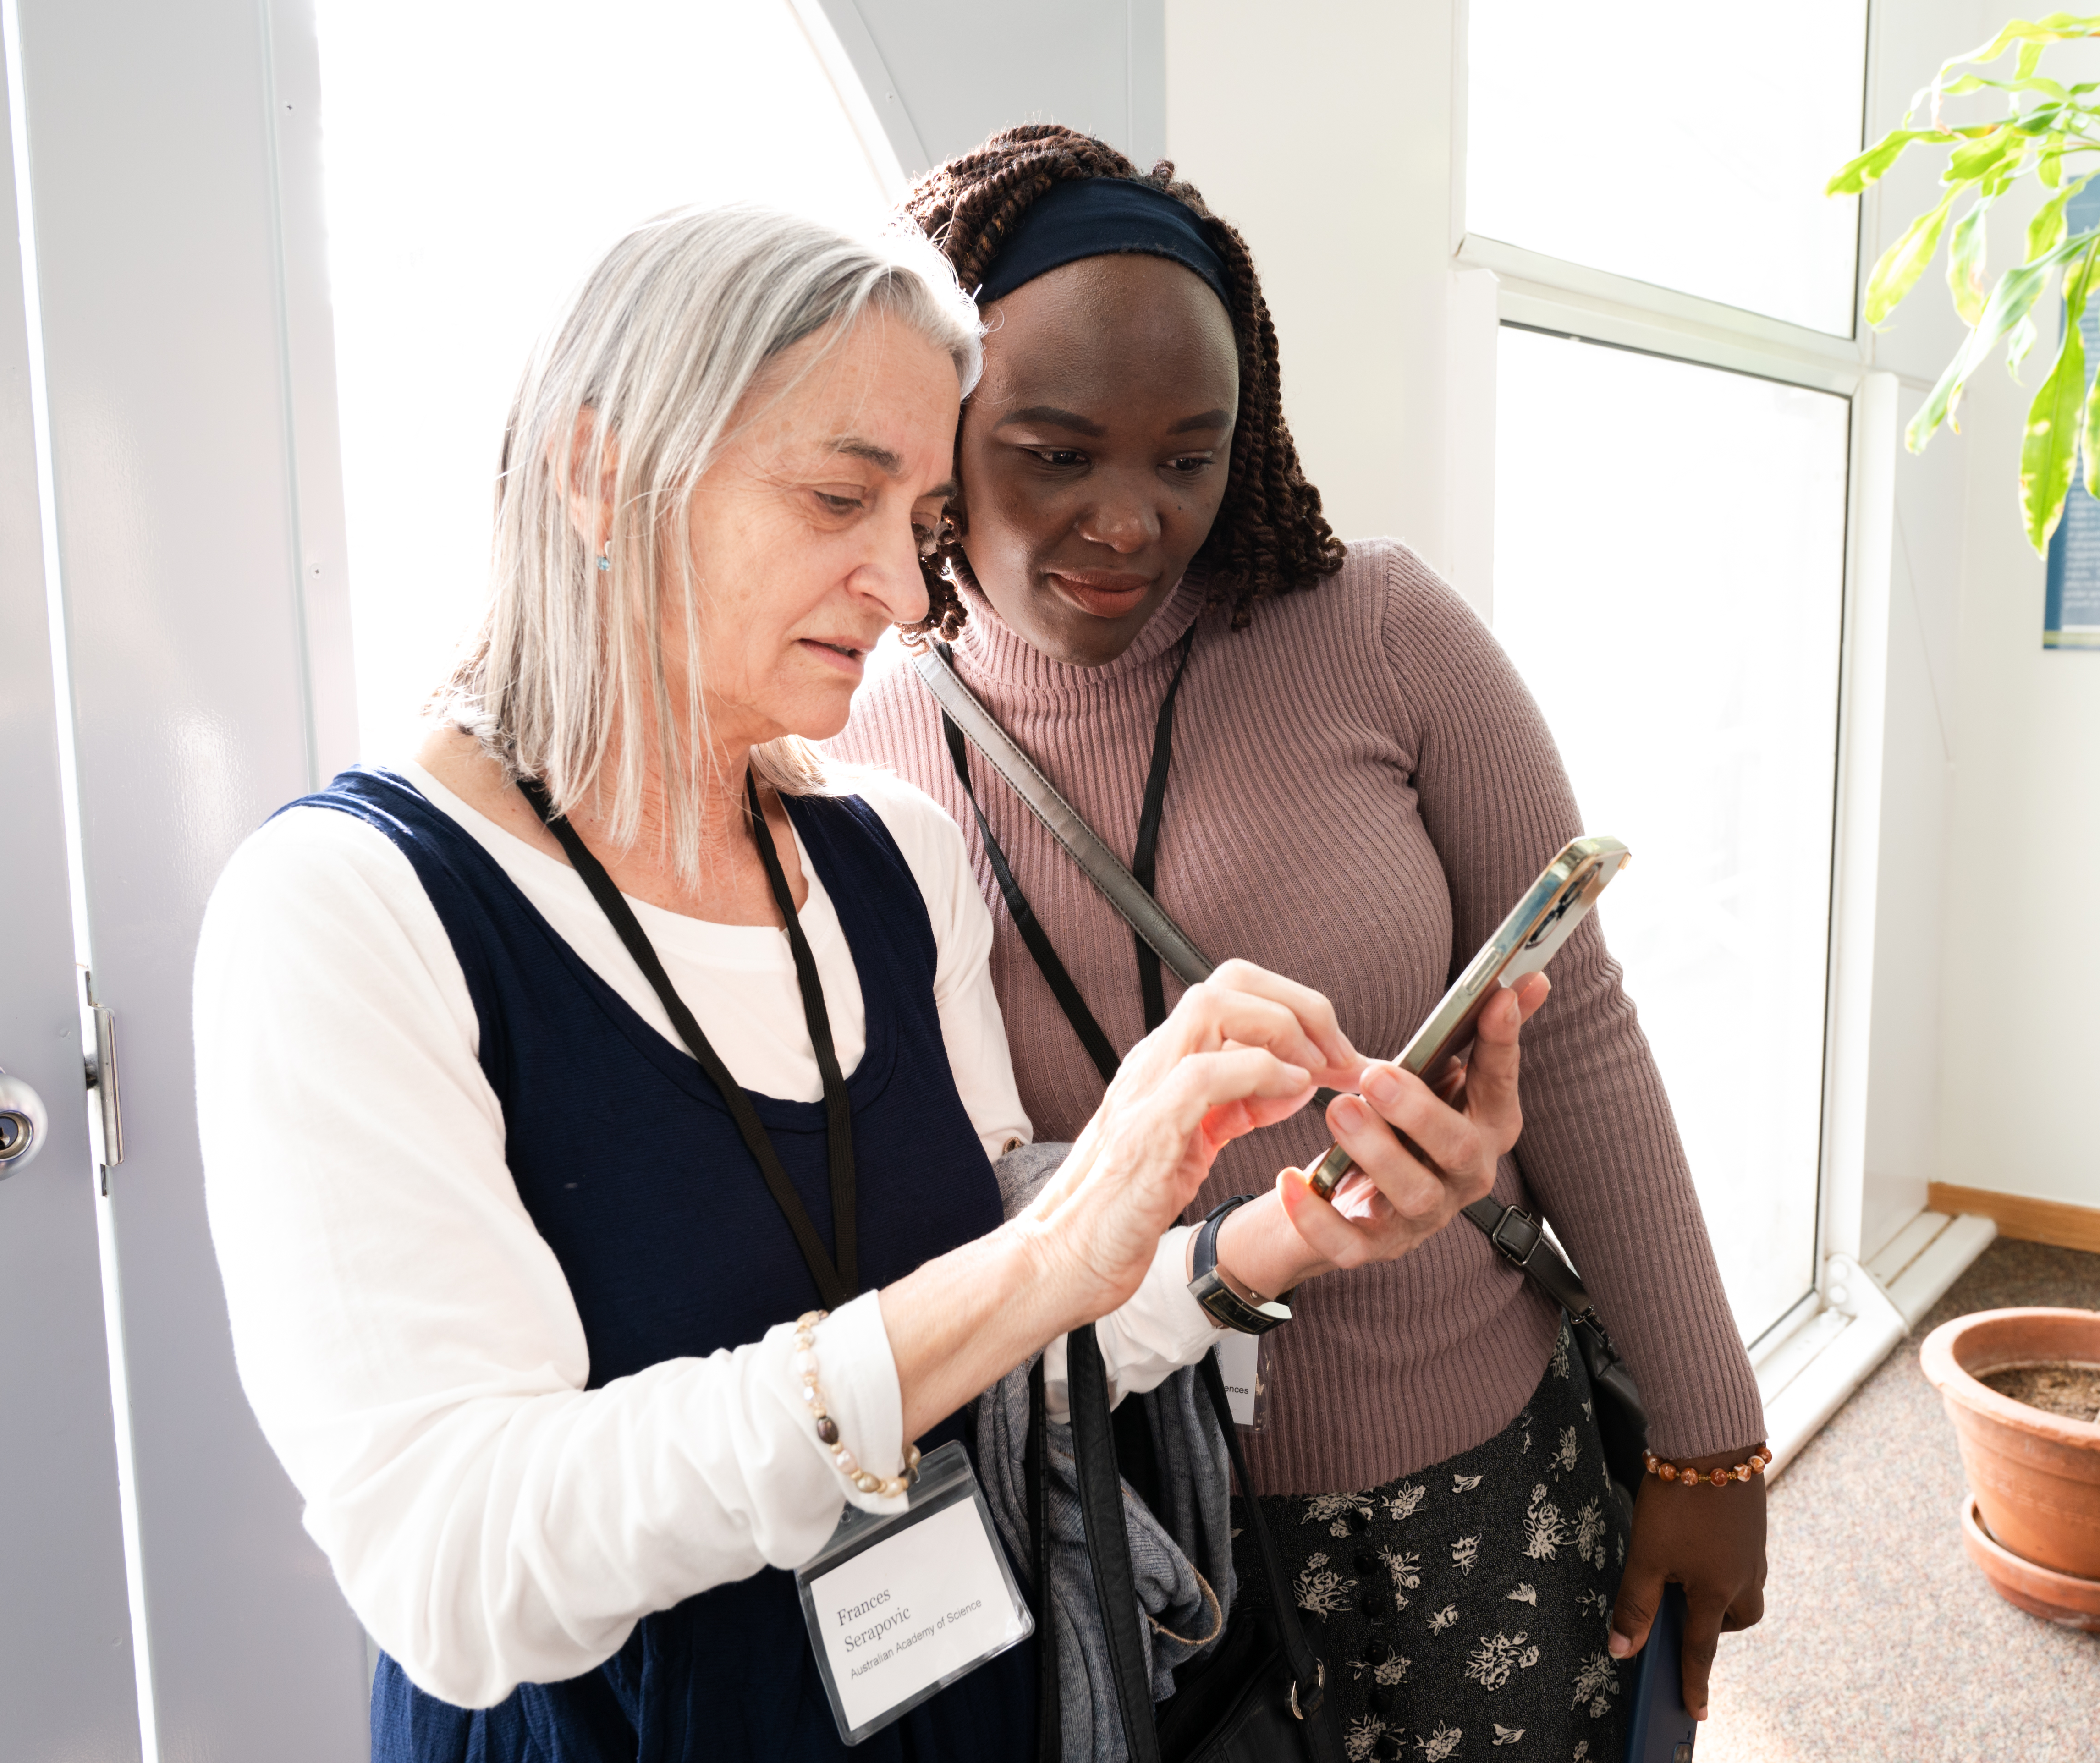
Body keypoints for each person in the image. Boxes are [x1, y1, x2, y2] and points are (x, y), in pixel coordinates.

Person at [192, 204, 1547, 1761]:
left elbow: (995, 1350)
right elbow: (458, 1574)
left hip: (956, 1700)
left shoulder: (890, 856)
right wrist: (1041, 1259)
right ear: (591, 473)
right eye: (837, 496)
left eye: (915, 523)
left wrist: (1265, 1242)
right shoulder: (350, 912)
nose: (907, 598)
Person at [830, 126, 1770, 1756]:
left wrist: (1707, 1441)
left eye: (1187, 456)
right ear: (939, 425)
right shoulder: (862, 724)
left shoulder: (1380, 633)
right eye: (1054, 453)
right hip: (1125, 1528)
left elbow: (1581, 1027)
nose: (1130, 519)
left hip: (1460, 1478)